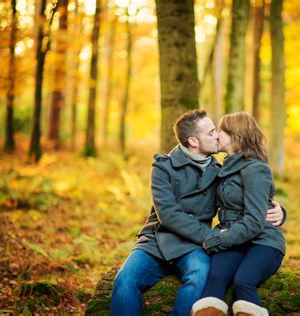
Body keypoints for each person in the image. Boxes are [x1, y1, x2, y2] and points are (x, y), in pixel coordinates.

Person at [110, 110, 285, 316]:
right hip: (156, 241)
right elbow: (168, 214)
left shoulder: (220, 171)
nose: (216, 136)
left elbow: (246, 196)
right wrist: (213, 237)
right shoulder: (163, 167)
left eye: (217, 131)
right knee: (124, 280)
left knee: (199, 274)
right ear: (193, 140)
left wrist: (280, 211)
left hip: (194, 245)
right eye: (211, 132)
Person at [191, 112, 286, 316]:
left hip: (263, 241)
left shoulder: (255, 169)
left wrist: (218, 239)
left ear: (236, 135)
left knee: (243, 281)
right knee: (215, 279)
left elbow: (254, 221)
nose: (216, 135)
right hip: (234, 239)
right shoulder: (224, 167)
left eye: (220, 131)